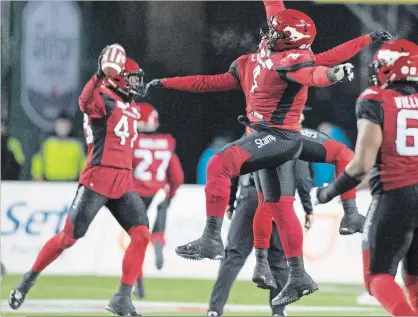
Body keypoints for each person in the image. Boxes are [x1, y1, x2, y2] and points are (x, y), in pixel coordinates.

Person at [143, 0, 390, 305]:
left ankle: (211, 238)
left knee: (219, 164)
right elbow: (209, 80)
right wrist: (169, 83)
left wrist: (334, 75)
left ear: (286, 41)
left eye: (275, 33)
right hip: (280, 136)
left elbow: (314, 73)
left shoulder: (290, 60)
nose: (268, 34)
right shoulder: (254, 60)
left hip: (279, 136)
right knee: (283, 202)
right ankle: (300, 272)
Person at [9, 47, 150, 316]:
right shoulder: (104, 99)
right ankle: (28, 279)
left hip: (123, 181)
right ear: (117, 77)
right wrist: (98, 76)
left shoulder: (129, 106)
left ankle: (122, 297)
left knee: (142, 235)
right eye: (132, 78)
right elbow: (85, 103)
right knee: (67, 238)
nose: (137, 84)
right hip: (98, 179)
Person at [316, 39, 418, 316]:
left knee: (378, 277)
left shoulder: (376, 99)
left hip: (396, 195)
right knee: (415, 280)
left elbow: (361, 165)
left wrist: (329, 191)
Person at [131, 102, 184, 299]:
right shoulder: (166, 141)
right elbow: (177, 175)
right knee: (157, 231)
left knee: (136, 243)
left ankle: (138, 281)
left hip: (136, 194)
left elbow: (124, 169)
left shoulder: (132, 141)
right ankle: (158, 239)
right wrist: (171, 195)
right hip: (160, 193)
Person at [31, 111, 86, 181]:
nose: (63, 128)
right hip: (49, 183)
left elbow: (84, 163)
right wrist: (37, 174)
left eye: (65, 125)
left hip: (70, 183)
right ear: (56, 125)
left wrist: (84, 179)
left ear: (70, 126)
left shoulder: (76, 144)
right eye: (60, 124)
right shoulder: (48, 143)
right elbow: (38, 159)